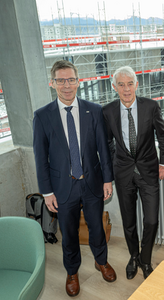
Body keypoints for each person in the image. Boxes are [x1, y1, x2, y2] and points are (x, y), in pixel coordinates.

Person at [33, 60, 116, 297]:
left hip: (92, 184)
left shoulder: (94, 110)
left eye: (71, 80)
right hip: (62, 188)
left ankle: (101, 261)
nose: (66, 85)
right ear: (53, 83)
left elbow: (103, 148)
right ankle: (72, 272)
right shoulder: (42, 116)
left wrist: (107, 179)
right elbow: (40, 158)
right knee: (68, 233)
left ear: (78, 82)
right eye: (61, 80)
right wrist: (47, 192)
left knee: (96, 228)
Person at [102, 66, 164, 279]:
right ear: (114, 87)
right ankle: (133, 256)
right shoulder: (108, 111)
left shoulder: (150, 106)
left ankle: (145, 259)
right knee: (129, 222)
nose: (126, 88)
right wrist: (116, 163)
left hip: (149, 171)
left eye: (130, 83)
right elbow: (106, 143)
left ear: (136, 85)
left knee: (151, 220)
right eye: (121, 84)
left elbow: (162, 136)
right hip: (124, 174)